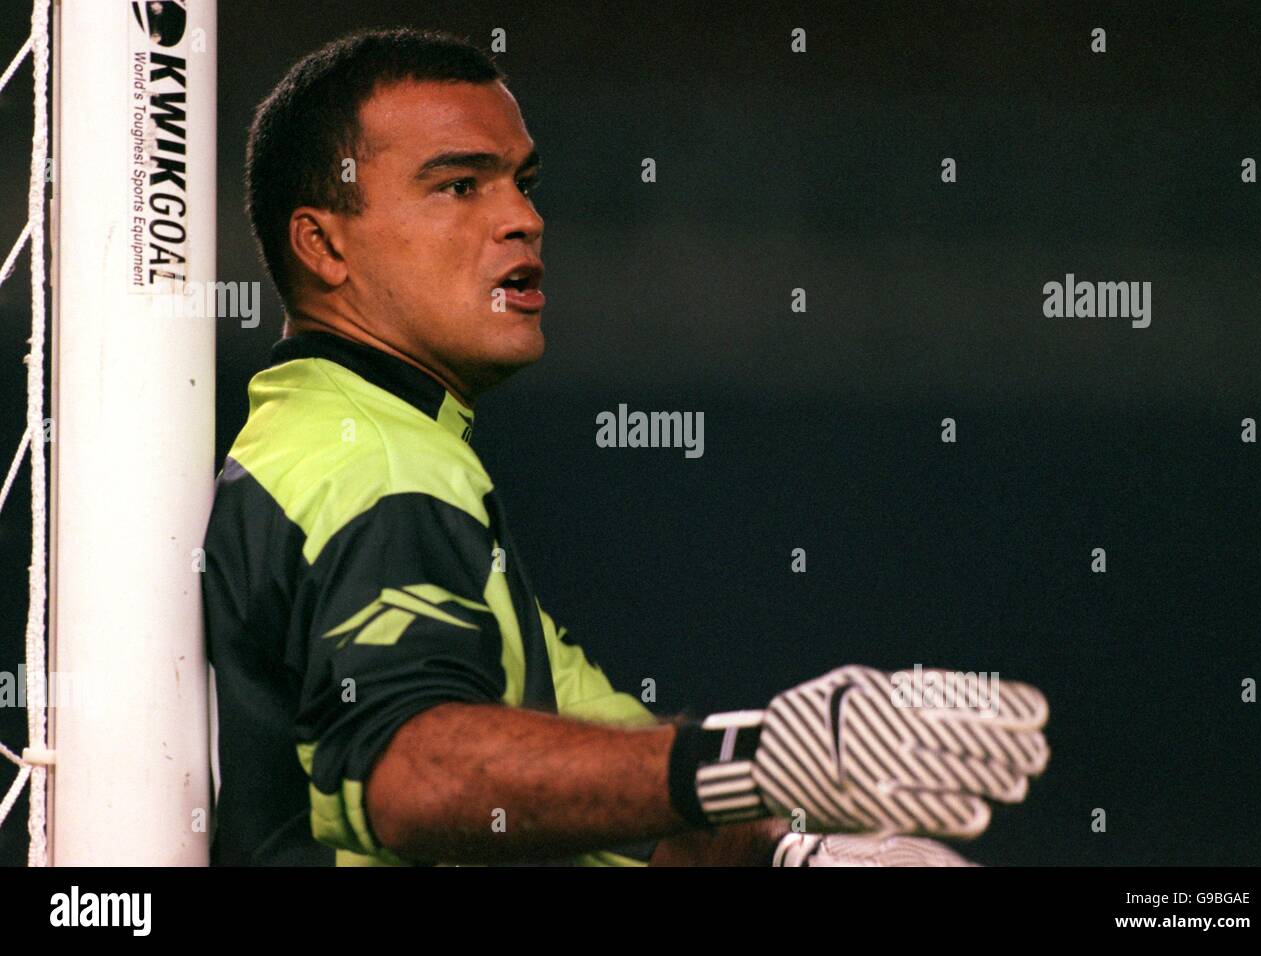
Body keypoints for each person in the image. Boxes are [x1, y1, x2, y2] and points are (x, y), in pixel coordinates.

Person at [202, 27, 1049, 867]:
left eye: (523, 183)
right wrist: (759, 759)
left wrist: (791, 857)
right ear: (324, 244)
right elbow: (416, 771)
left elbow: (614, 795)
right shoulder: (373, 464)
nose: (523, 218)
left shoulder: (369, 442)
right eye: (460, 186)